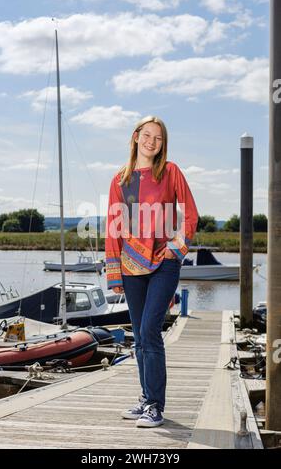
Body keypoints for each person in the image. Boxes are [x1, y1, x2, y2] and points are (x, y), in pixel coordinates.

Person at [105, 115, 198, 428]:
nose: (152, 142)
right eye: (147, 135)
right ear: (135, 137)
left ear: (163, 143)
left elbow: (190, 215)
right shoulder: (120, 180)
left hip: (164, 264)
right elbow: (113, 229)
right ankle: (145, 399)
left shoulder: (170, 172)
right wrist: (114, 273)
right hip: (131, 266)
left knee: (149, 331)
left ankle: (156, 405)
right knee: (139, 338)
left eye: (158, 138)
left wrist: (176, 249)